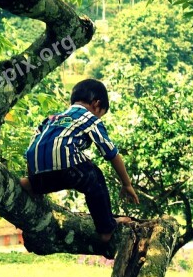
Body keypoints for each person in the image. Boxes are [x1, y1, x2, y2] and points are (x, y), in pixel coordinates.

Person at [20, 78, 139, 242]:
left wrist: (34, 178)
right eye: (101, 113)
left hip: (39, 168)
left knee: (63, 174)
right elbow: (111, 153)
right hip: (67, 162)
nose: (99, 117)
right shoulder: (89, 118)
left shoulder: (51, 119)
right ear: (96, 104)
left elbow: (33, 147)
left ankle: (31, 184)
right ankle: (106, 229)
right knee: (94, 177)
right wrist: (127, 184)